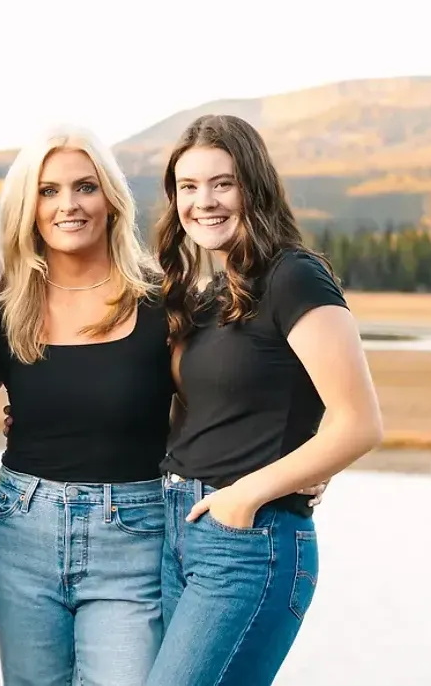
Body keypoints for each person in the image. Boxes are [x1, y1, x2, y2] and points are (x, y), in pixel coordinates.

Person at [146, 114, 383, 686]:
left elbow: (359, 422)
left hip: (251, 542)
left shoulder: (294, 277)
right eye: (188, 187)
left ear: (254, 185)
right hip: (180, 529)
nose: (204, 201)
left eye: (222, 183)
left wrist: (245, 496)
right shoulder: (208, 293)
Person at [0, 125, 175, 686]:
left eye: (85, 187)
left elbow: (225, 400)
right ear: (28, 207)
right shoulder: (5, 307)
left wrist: (292, 470)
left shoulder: (162, 300)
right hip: (20, 529)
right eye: (48, 191)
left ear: (111, 201)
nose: (68, 205)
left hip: (133, 533)